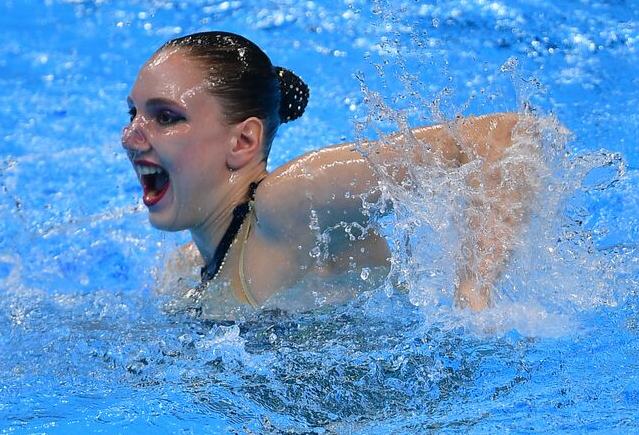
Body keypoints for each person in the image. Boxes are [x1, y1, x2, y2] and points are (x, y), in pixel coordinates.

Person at [122, 30, 540, 316]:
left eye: (165, 117)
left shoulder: (290, 202)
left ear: (243, 142)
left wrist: (472, 294)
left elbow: (505, 137)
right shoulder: (185, 267)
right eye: (133, 114)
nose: (130, 137)